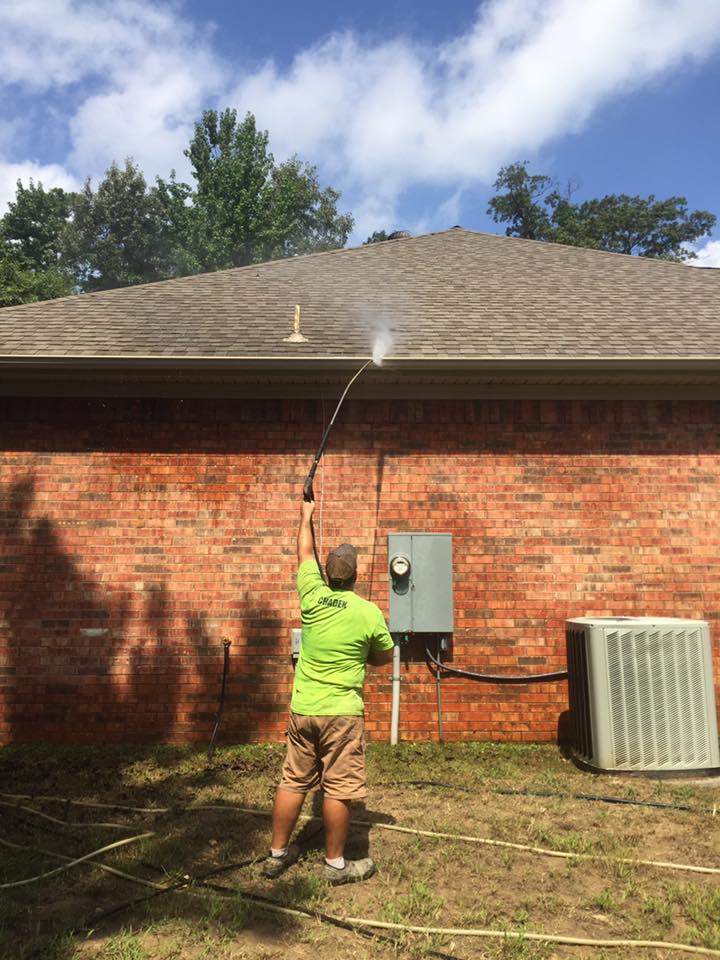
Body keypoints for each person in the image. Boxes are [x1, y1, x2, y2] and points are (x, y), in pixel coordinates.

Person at [262, 498, 395, 885]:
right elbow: (384, 657)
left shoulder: (312, 596)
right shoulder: (368, 613)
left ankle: (277, 854)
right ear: (354, 576)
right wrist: (364, 652)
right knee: (338, 785)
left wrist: (306, 516)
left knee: (293, 779)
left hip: (303, 709)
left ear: (328, 575)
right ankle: (336, 865)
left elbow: (304, 550)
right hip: (342, 713)